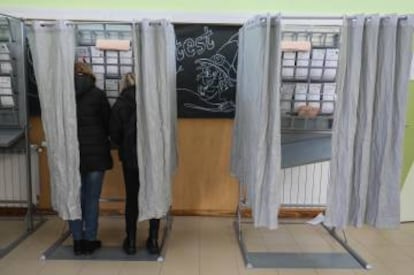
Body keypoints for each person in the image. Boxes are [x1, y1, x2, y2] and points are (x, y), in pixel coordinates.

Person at [109, 72, 160, 255]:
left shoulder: (120, 104)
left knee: (132, 199)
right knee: (153, 196)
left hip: (131, 159)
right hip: (152, 158)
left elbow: (114, 136)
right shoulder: (152, 101)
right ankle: (153, 240)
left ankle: (130, 241)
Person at [68, 62, 113, 255]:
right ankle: (90, 239)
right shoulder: (98, 94)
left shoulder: (64, 94)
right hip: (96, 155)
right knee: (91, 199)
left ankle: (77, 241)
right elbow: (108, 122)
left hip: (71, 155)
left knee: (74, 198)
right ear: (90, 74)